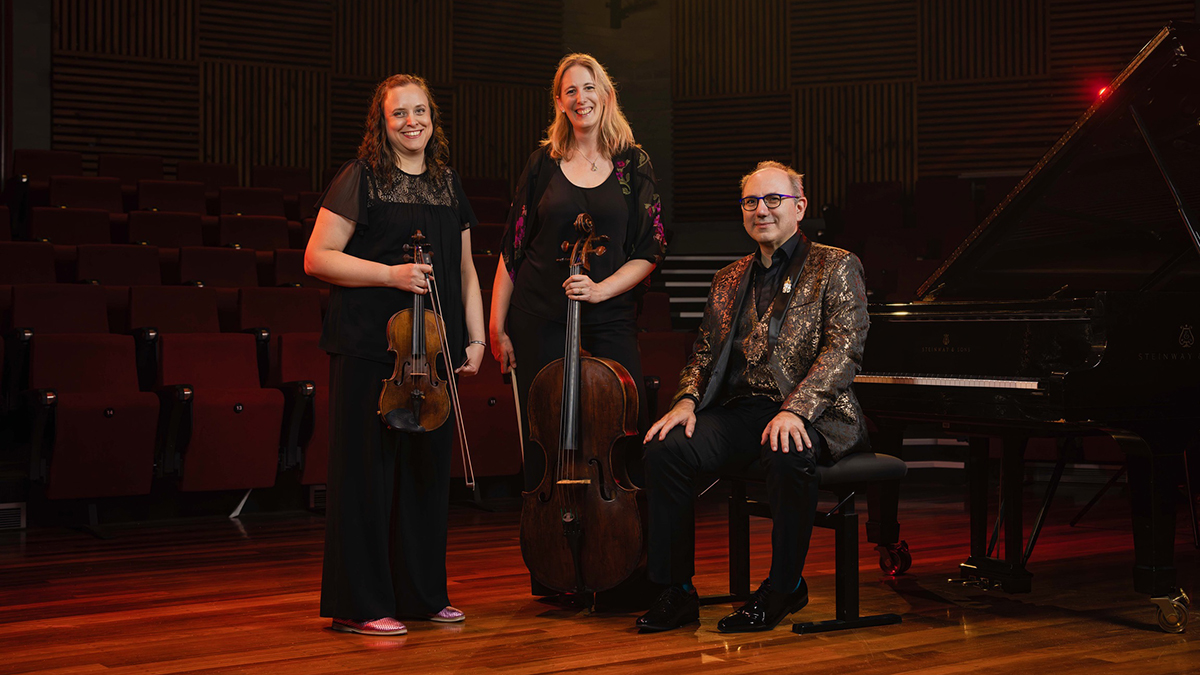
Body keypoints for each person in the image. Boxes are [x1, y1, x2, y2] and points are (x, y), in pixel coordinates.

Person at [635, 161, 870, 633]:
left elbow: (844, 348)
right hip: (741, 411)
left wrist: (797, 411)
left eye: (773, 200)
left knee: (786, 447)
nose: (760, 209)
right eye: (750, 201)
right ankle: (675, 589)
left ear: (799, 207)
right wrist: (685, 401)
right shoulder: (727, 277)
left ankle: (785, 586)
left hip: (815, 413)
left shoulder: (836, 264)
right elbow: (702, 352)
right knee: (666, 448)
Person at [304, 73, 486, 636]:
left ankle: (422, 595)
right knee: (368, 478)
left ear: (434, 118)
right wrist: (389, 274)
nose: (412, 122)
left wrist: (475, 337)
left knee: (426, 476)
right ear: (381, 124)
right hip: (370, 349)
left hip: (431, 353)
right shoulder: (361, 178)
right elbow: (317, 258)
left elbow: (464, 270)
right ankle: (362, 604)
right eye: (399, 114)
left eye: (421, 112)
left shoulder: (447, 183)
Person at [489, 53, 667, 498]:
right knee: (543, 431)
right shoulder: (542, 164)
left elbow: (651, 249)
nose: (580, 97)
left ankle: (625, 546)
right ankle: (547, 544)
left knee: (626, 424)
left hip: (610, 316)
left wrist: (601, 290)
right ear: (559, 102)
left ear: (605, 95)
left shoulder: (633, 164)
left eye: (589, 87)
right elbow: (513, 249)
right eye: (570, 90)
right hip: (539, 313)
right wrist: (496, 326)